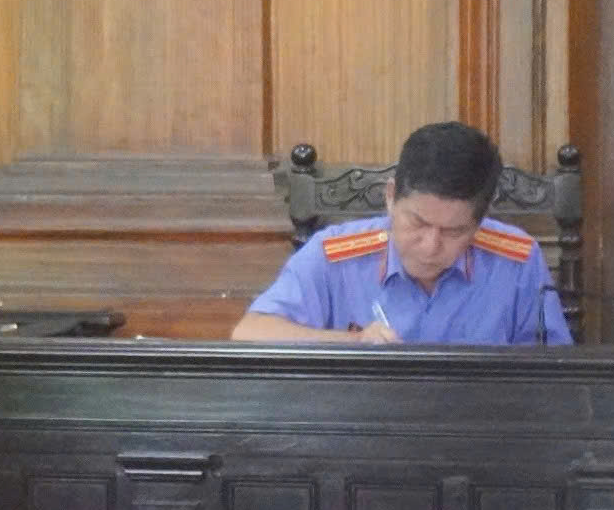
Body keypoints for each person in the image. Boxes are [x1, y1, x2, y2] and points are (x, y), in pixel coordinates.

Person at [232, 121, 573, 345]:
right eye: (418, 223)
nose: (430, 246)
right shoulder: (334, 255)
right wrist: (354, 342)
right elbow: (250, 333)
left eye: (454, 231)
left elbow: (552, 375)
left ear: (481, 220)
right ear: (391, 196)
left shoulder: (517, 261)